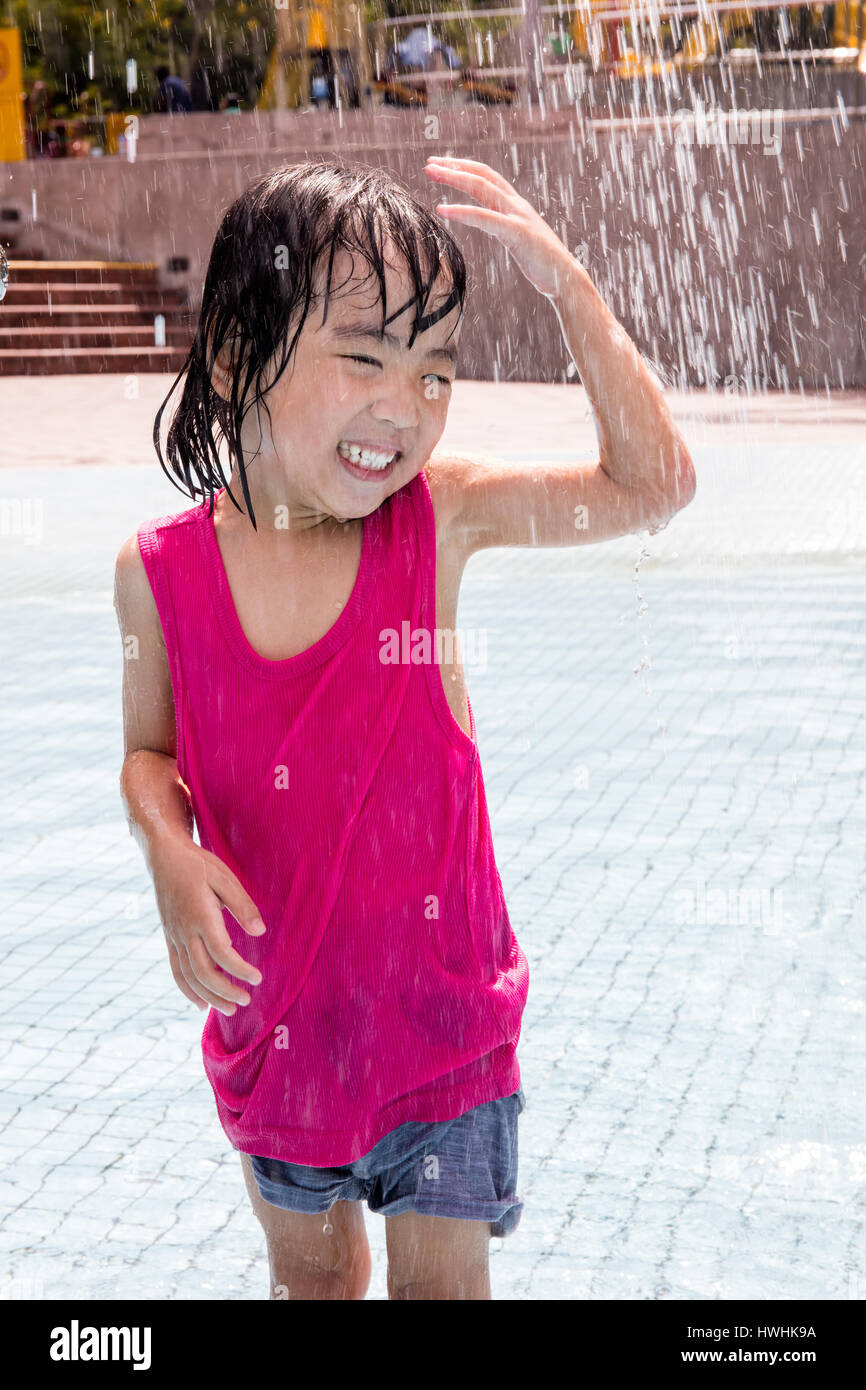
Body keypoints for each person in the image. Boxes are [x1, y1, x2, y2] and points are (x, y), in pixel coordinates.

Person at [114, 157, 695, 1300]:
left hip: (443, 1034)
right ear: (237, 358)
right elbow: (150, 757)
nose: (405, 408)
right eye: (365, 357)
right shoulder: (160, 574)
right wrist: (166, 853)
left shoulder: (440, 522)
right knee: (315, 1282)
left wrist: (568, 290)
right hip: (276, 1033)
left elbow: (653, 484)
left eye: (436, 372)